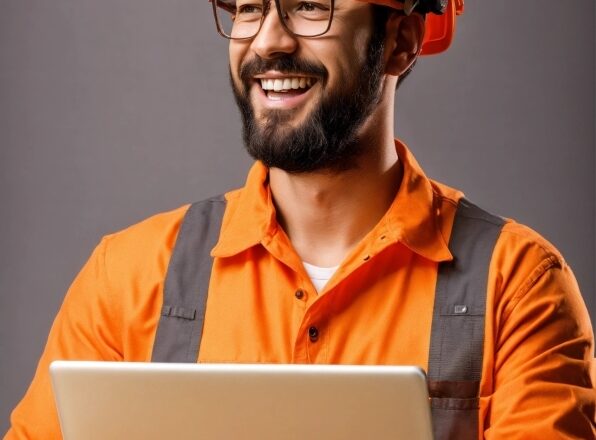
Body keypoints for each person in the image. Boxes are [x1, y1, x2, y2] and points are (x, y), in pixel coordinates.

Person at [4, 0, 595, 438]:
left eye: (311, 6)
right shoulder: (129, 278)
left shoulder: (516, 286)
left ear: (402, 41)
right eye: (248, 7)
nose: (269, 42)